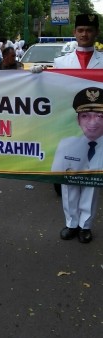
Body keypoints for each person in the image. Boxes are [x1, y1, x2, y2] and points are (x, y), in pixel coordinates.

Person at [52, 13, 103, 243]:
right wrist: (38, 77)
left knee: (92, 179)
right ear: (74, 32)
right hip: (71, 126)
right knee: (70, 177)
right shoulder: (62, 62)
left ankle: (85, 225)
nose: (85, 34)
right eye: (81, 30)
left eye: (89, 30)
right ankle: (70, 223)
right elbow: (53, 92)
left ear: (96, 33)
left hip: (99, 127)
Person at [52, 87, 103, 243]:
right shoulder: (66, 144)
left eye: (100, 116)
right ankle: (71, 224)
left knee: (91, 190)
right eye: (85, 116)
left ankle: (85, 226)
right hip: (72, 166)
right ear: (78, 120)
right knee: (69, 188)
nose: (92, 122)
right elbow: (56, 171)